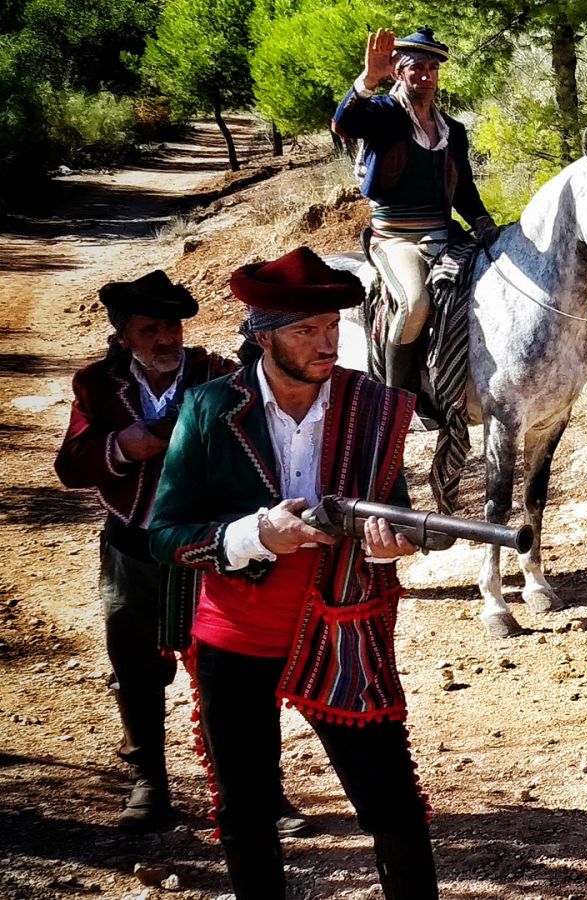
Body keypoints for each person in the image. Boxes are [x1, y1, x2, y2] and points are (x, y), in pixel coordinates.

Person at [148, 247, 437, 898]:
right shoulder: (209, 408)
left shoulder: (372, 406)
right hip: (237, 636)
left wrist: (387, 548)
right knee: (246, 810)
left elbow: (394, 512)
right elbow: (165, 535)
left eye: (332, 327)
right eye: (305, 330)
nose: (326, 343)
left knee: (391, 803)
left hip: (344, 632)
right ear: (263, 335)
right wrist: (256, 535)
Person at [53, 271, 234, 831]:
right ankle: (149, 782)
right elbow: (71, 465)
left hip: (207, 547)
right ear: (123, 336)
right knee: (135, 668)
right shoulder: (98, 385)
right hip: (131, 546)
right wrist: (126, 446)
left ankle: (251, 791)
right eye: (149, 329)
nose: (165, 338)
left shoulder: (219, 375)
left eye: (172, 326)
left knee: (228, 669)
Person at [331, 27, 495, 404]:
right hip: (395, 238)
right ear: (399, 72)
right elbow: (344, 124)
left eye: (432, 68)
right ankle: (395, 399)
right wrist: (368, 79)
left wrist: (483, 221)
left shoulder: (453, 130)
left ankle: (459, 387)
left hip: (444, 234)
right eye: (416, 67)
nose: (425, 75)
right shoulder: (383, 114)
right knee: (415, 302)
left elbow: (463, 188)